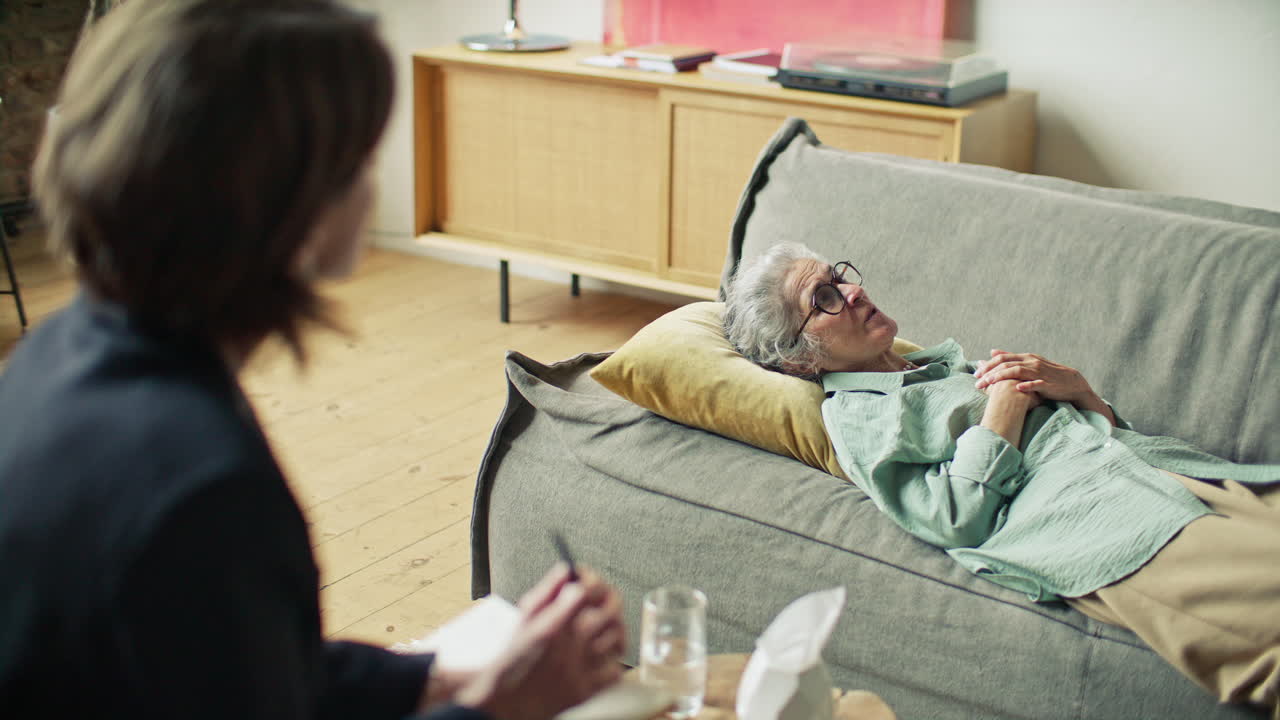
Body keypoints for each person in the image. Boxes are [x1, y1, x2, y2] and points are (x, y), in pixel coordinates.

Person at [0, 1, 624, 718]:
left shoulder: (56, 353)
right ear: (285, 195)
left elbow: (233, 667)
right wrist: (497, 708)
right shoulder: (203, 485)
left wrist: (432, 678)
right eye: (358, 156)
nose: (372, 180)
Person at [723, 242, 1280, 717]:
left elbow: (1087, 434)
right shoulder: (857, 416)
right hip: (1112, 523)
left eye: (838, 276)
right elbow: (952, 517)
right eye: (822, 299)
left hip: (1172, 474)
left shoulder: (939, 367)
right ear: (799, 360)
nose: (852, 293)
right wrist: (1004, 410)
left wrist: (1079, 390)